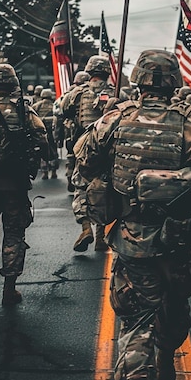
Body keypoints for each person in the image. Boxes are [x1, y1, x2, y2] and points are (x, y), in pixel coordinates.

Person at [73, 49, 191, 380]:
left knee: (136, 319)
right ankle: (166, 358)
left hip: (133, 238)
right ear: (175, 80)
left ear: (138, 80)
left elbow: (83, 161)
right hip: (179, 237)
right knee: (175, 305)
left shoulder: (115, 120)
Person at [0, 63, 48, 306]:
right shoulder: (25, 110)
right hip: (14, 183)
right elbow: (42, 140)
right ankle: (9, 289)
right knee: (14, 232)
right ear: (14, 83)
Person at [62, 55, 115, 252]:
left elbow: (63, 110)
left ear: (90, 71)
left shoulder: (77, 94)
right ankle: (101, 236)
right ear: (107, 72)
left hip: (85, 148)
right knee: (106, 190)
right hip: (109, 151)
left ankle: (86, 228)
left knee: (81, 188)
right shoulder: (117, 93)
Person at [32, 88, 59, 179]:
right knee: (54, 150)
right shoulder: (55, 105)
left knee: (43, 151)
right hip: (52, 131)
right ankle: (54, 171)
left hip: (42, 132)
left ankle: (45, 172)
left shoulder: (37, 106)